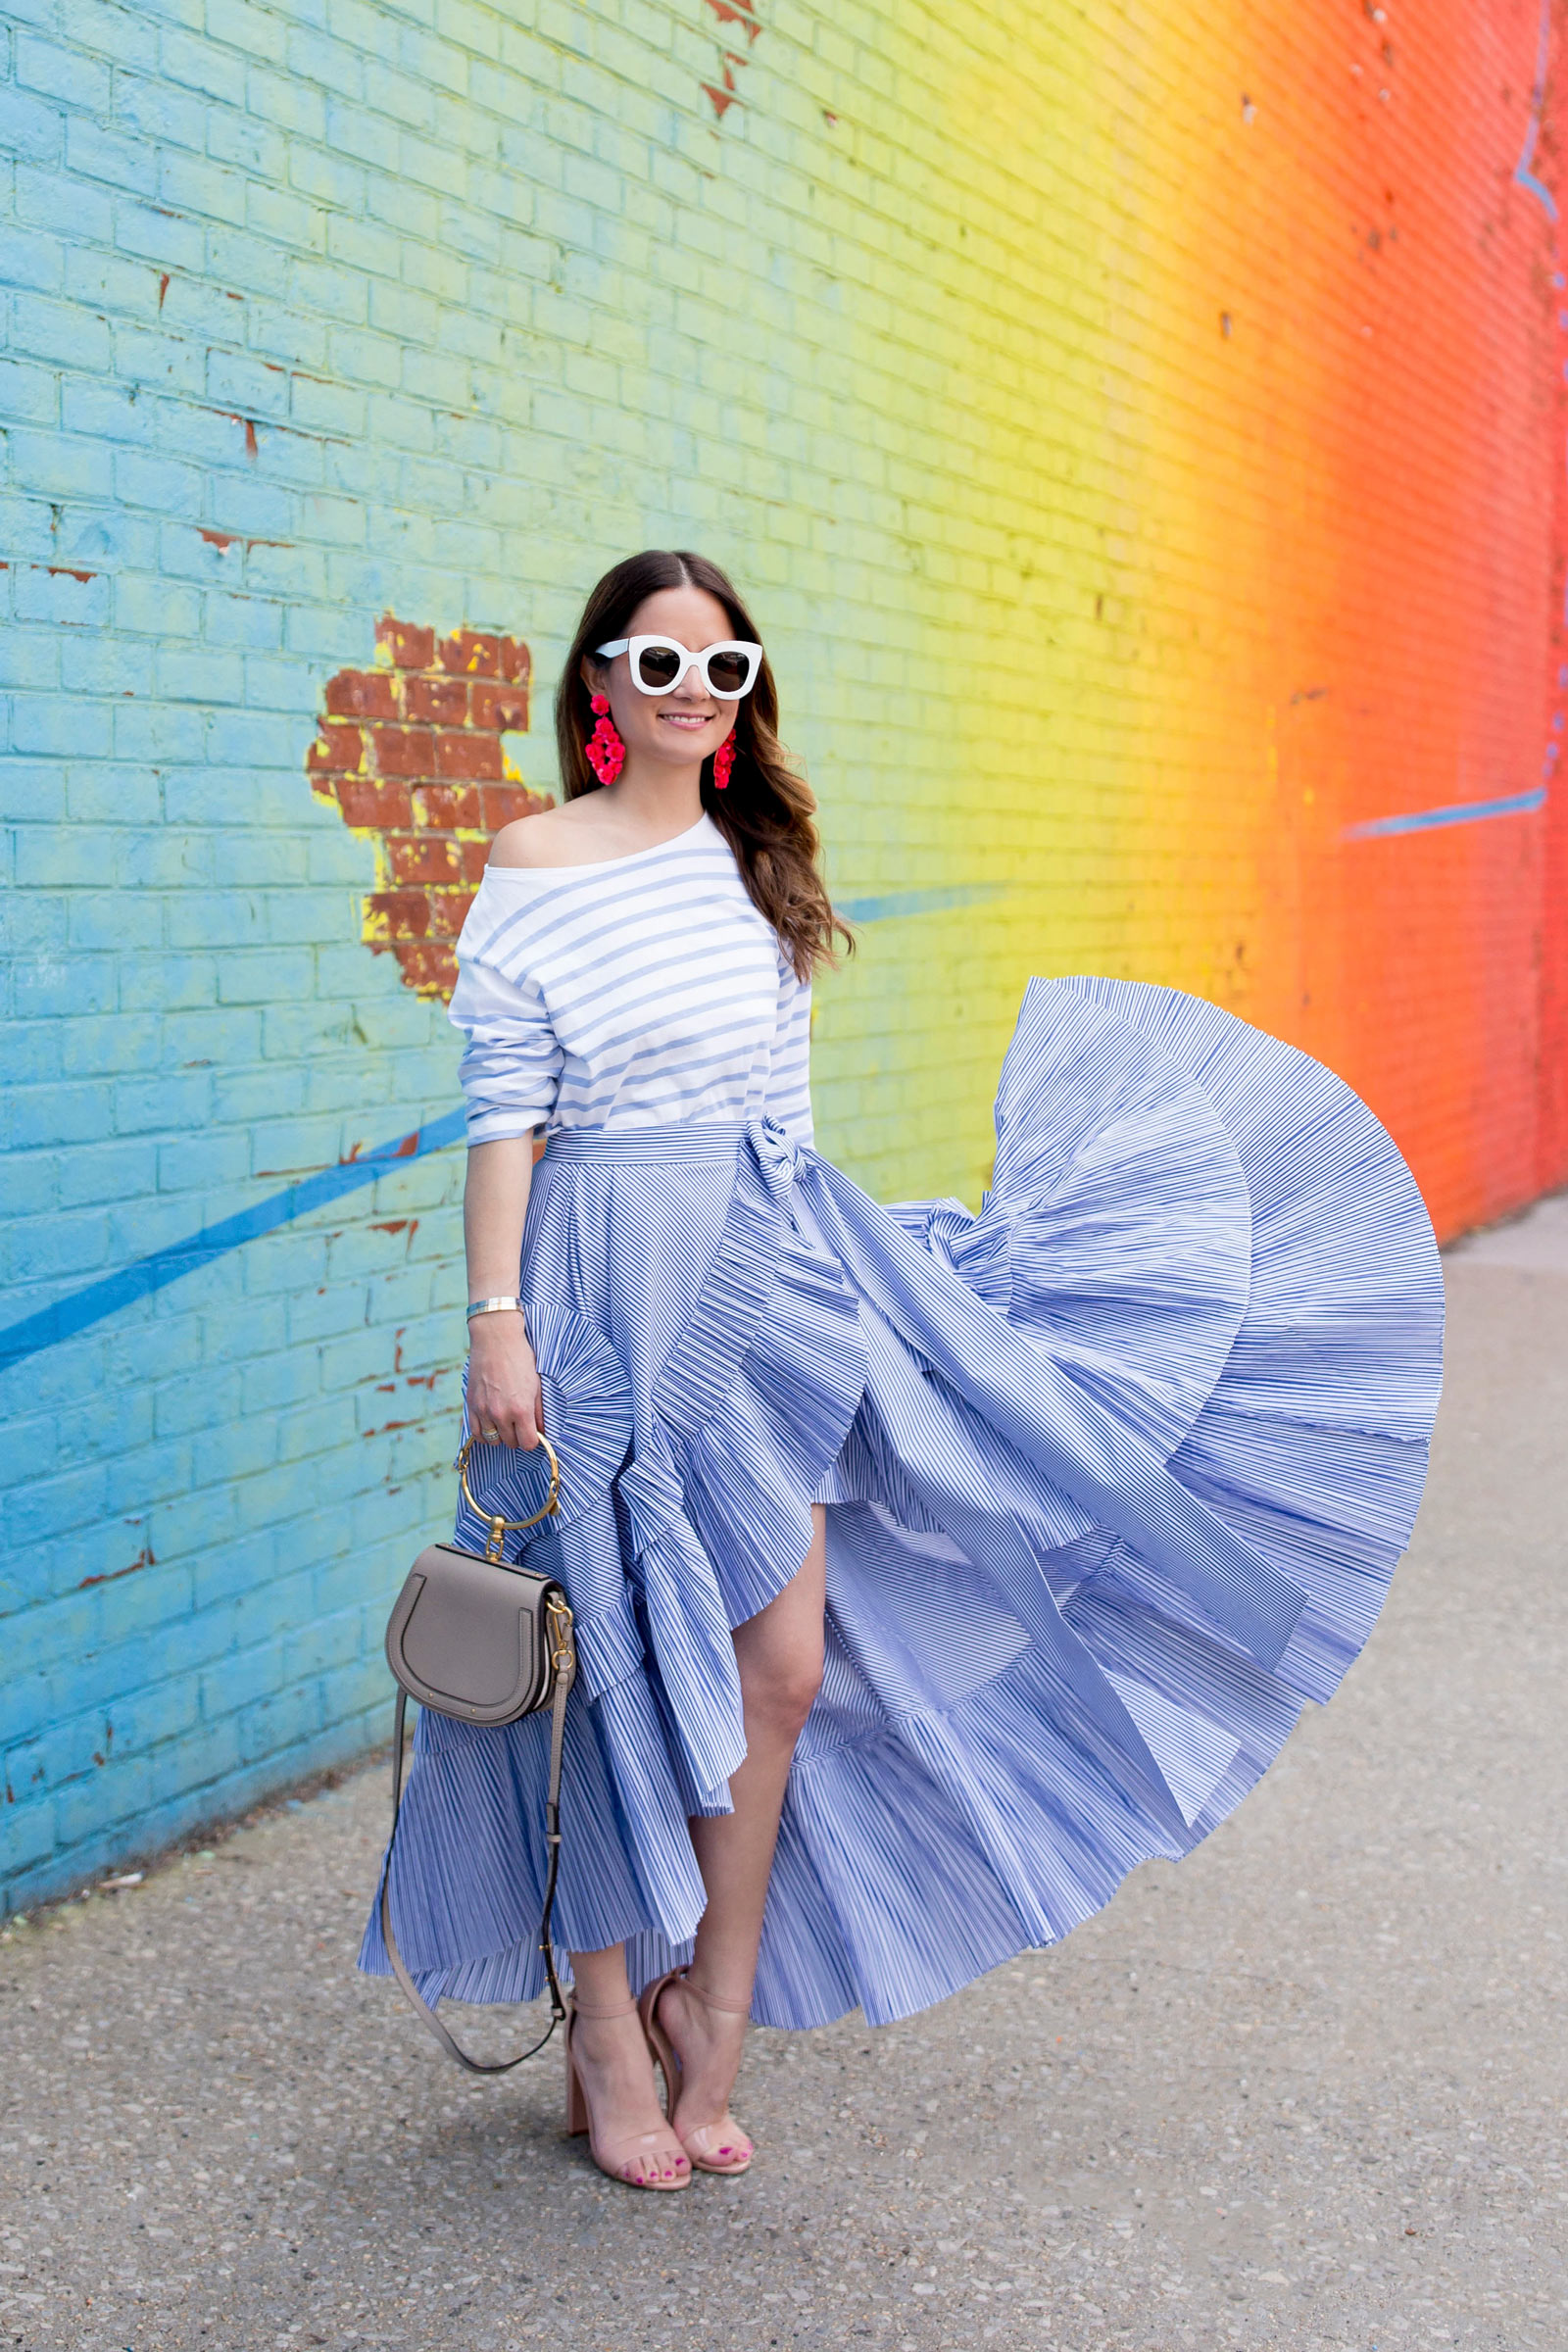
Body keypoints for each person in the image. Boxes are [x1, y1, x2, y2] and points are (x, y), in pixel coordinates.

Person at [361, 550, 1444, 2190]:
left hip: (759, 1271)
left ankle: (706, 2006)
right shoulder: (537, 861)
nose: (686, 695)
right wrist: (493, 1322)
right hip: (591, 1286)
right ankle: (603, 2039)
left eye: (720, 673)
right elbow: (506, 1113)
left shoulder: (758, 868)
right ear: (597, 684)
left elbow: (785, 1130)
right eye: (656, 666)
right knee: (600, 1672)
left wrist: (871, 1288)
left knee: (778, 1666)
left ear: (744, 700)